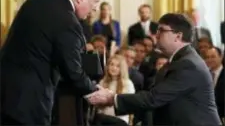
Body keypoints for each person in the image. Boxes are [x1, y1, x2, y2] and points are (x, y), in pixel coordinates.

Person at [0, 0, 103, 125]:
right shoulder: (69, 22)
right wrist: (95, 90)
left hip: (4, 94)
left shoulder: (33, 1)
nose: (95, 8)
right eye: (95, 2)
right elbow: (73, 72)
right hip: (31, 104)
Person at [87, 13, 222, 126]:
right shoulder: (178, 60)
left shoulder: (188, 64)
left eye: (161, 30)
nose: (156, 35)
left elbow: (153, 98)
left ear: (178, 36)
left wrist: (113, 98)